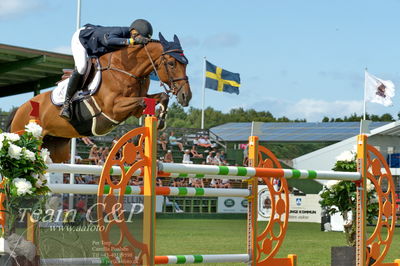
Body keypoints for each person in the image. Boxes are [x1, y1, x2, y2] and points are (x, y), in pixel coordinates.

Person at [59, 19, 153, 120]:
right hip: (82, 39)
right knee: (82, 67)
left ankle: (149, 118)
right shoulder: (120, 32)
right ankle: (66, 103)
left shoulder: (131, 38)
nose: (140, 43)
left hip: (97, 44)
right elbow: (109, 40)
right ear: (134, 33)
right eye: (141, 39)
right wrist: (132, 41)